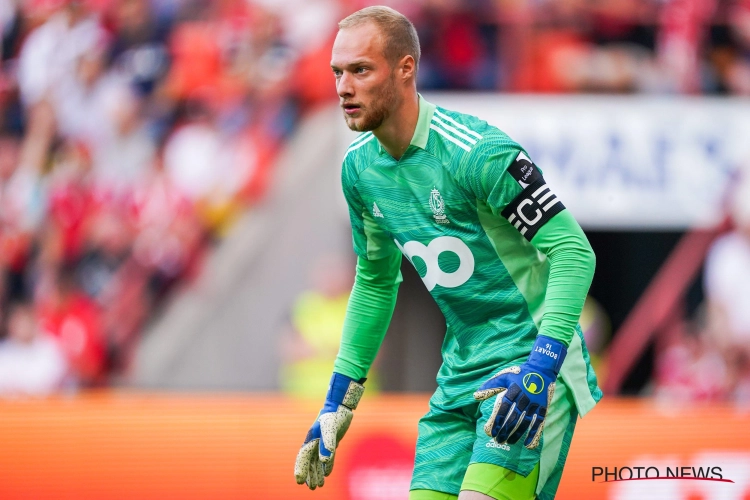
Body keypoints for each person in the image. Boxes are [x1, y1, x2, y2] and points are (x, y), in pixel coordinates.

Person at [294, 6, 601, 500]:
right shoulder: (359, 170)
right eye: (338, 72)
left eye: (361, 70)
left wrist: (541, 368)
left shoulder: (476, 152)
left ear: (405, 69)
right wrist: (338, 402)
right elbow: (375, 283)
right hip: (460, 373)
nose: (343, 87)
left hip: (529, 363)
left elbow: (573, 251)